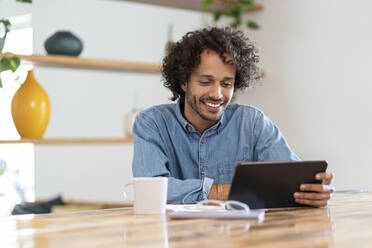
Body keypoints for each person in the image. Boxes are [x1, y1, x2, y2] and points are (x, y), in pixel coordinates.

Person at [132, 27, 334, 206]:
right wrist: (227, 191)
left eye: (226, 84)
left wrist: (312, 191)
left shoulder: (252, 122)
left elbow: (294, 182)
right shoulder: (152, 123)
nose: (217, 94)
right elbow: (149, 190)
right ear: (184, 82)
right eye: (205, 82)